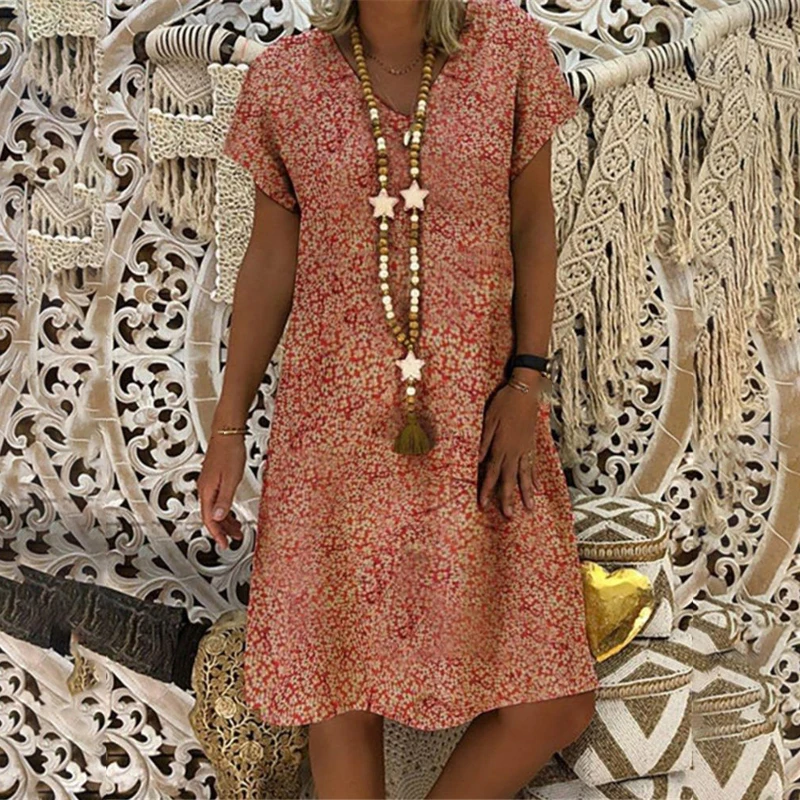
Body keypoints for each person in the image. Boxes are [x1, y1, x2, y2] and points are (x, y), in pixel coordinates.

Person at [197, 0, 599, 796]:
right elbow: (269, 262)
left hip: (478, 423)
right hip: (333, 436)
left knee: (554, 698)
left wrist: (526, 380)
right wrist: (228, 425)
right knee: (340, 687)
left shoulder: (508, 49)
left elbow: (533, 226)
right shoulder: (286, 80)